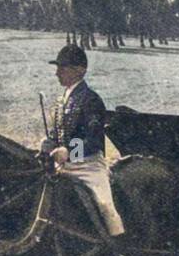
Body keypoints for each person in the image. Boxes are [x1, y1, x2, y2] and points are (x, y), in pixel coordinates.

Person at [40, 44, 126, 239]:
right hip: (62, 166)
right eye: (58, 68)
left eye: (63, 68)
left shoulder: (91, 100)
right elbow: (56, 134)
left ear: (80, 70)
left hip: (88, 167)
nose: (57, 73)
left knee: (105, 205)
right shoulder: (61, 101)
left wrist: (69, 152)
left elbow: (93, 140)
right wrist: (48, 145)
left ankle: (119, 250)